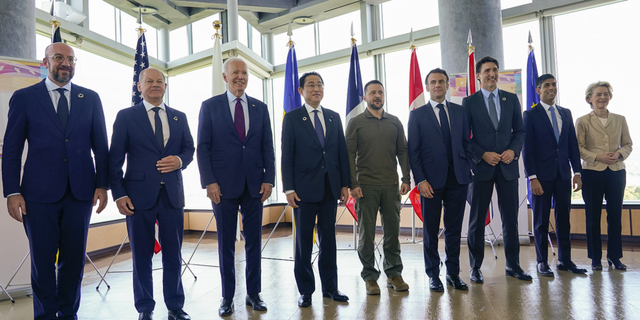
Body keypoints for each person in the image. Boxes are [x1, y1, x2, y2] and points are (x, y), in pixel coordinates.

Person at [2, 42, 109, 320]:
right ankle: (46, 315)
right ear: (45, 62)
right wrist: (12, 191)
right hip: (37, 196)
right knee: (42, 262)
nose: (66, 63)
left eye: (71, 59)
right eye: (59, 57)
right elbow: (12, 150)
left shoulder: (91, 98)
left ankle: (69, 314)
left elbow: (101, 147)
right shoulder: (25, 97)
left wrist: (102, 184)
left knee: (73, 261)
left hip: (81, 194)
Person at [109, 67, 194, 320]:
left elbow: (190, 149)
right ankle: (145, 308)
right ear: (139, 86)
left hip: (172, 196)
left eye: (160, 81)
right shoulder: (126, 116)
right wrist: (119, 194)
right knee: (142, 257)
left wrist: (179, 160)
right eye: (149, 81)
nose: (155, 85)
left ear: (165, 87)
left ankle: (175, 306)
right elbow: (114, 160)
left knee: (173, 255)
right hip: (137, 198)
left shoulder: (179, 117)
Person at [197, 57, 275, 316]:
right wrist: (209, 181)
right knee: (226, 244)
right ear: (225, 76)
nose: (240, 76)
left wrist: (269, 179)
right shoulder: (209, 107)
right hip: (222, 187)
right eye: (235, 73)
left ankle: (254, 293)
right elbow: (203, 148)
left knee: (254, 241)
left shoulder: (260, 108)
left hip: (254, 186)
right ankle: (227, 297)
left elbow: (267, 148)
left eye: (244, 73)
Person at [281, 71, 350, 307]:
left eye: (319, 84)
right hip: (303, 190)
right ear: (301, 91)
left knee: (329, 240)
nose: (316, 88)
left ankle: (331, 288)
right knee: (304, 244)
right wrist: (288, 188)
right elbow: (286, 156)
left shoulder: (333, 117)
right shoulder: (292, 118)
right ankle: (306, 290)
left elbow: (341, 152)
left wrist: (344, 183)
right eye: (310, 85)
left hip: (330, 189)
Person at [463, 56, 531, 282]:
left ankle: (513, 266)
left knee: (510, 219)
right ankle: (475, 268)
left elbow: (519, 132)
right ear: (478, 76)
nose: (492, 74)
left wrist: (513, 151)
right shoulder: (469, 102)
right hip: (482, 169)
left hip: (508, 167)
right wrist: (482, 154)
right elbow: (465, 138)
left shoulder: (511, 99)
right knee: (477, 220)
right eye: (487, 71)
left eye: (495, 70)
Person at [408, 68, 475, 292]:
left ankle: (453, 273)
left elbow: (466, 143)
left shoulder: (459, 111)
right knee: (430, 231)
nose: (437, 85)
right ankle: (433, 275)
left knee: (454, 229)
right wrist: (420, 181)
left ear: (447, 86)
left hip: (458, 179)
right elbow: (413, 152)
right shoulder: (417, 115)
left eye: (441, 82)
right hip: (430, 183)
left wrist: (468, 170)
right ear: (427, 87)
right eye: (433, 82)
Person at [345, 80, 411, 295]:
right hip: (365, 188)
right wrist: (353, 184)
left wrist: (406, 178)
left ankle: (394, 274)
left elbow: (403, 151)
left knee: (392, 233)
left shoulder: (395, 122)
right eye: (372, 92)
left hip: (391, 186)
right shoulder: (356, 122)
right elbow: (348, 155)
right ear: (365, 97)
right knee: (367, 235)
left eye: (380, 92)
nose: (377, 95)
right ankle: (370, 277)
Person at [522, 74, 587, 277]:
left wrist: (577, 172)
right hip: (541, 177)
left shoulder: (566, 113)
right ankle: (542, 262)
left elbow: (571, 147)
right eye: (546, 85)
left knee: (563, 220)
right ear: (539, 90)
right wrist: (532, 177)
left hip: (563, 176)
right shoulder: (530, 115)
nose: (551, 88)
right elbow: (527, 150)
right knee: (541, 221)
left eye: (554, 84)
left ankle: (564, 261)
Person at [575, 81, 632, 271]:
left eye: (606, 94)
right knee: (593, 217)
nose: (603, 97)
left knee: (615, 216)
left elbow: (628, 144)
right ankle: (596, 259)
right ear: (589, 98)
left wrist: (619, 154)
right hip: (592, 173)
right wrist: (597, 156)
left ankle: (615, 257)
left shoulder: (620, 119)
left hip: (616, 173)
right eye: (598, 94)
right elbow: (578, 148)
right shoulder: (582, 121)